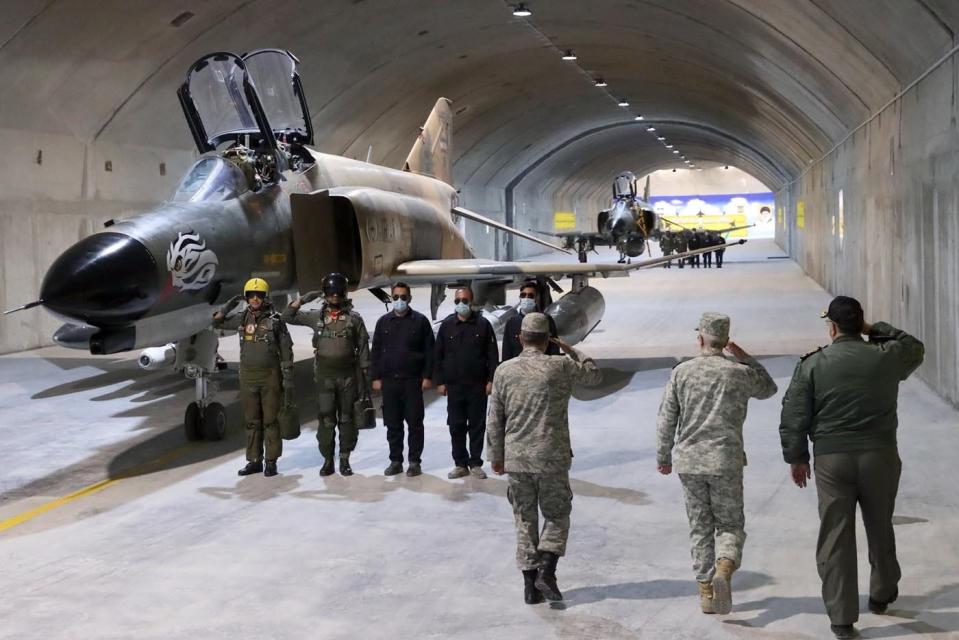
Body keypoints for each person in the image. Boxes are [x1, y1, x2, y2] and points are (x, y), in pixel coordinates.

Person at [778, 296, 924, 639]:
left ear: (831, 327)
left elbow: (794, 415)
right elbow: (914, 347)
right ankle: (882, 593)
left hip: (832, 461)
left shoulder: (813, 364)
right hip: (880, 456)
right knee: (880, 526)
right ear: (859, 325)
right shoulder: (886, 357)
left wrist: (797, 457)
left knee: (836, 535)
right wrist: (874, 329)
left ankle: (842, 618)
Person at [656, 312, 777, 615]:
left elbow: (666, 418)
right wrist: (744, 357)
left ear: (700, 339)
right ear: (726, 341)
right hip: (726, 460)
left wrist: (663, 455)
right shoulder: (738, 373)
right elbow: (769, 388)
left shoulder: (682, 372)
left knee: (699, 526)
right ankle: (724, 568)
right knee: (729, 523)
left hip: (690, 461)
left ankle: (706, 593)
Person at [487, 313, 602, 604]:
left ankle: (530, 587)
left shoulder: (504, 371)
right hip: (552, 456)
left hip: (517, 458)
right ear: (548, 339)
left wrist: (495, 456)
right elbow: (593, 373)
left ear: (520, 338)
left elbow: (494, 418)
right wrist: (570, 347)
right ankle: (547, 569)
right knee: (558, 514)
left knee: (524, 519)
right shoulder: (560, 366)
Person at [284, 272, 370, 477]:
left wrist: (366, 381)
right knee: (326, 420)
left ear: (343, 294)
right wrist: (303, 299)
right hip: (325, 379)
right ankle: (328, 460)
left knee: (347, 418)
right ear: (325, 294)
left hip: (348, 378)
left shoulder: (354, 319)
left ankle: (345, 459)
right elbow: (288, 316)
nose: (334, 297)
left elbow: (364, 350)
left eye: (337, 293)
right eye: (330, 293)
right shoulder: (317, 317)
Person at [212, 278, 294, 478]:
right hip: (248, 378)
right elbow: (217, 320)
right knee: (251, 421)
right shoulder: (242, 319)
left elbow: (286, 350)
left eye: (258, 296)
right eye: (251, 296)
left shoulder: (275, 321)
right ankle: (254, 461)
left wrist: (288, 377)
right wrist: (228, 305)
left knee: (270, 421)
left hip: (270, 378)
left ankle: (271, 462)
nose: (255, 299)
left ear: (265, 297)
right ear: (247, 298)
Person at [370, 282, 435, 478]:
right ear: (391, 297)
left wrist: (427, 376)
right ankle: (395, 461)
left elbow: (430, 351)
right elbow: (376, 352)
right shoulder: (383, 322)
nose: (399, 301)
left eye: (403, 297)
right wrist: (375, 377)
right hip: (390, 382)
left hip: (412, 381)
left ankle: (414, 461)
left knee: (415, 424)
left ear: (409, 298)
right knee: (393, 423)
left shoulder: (420, 322)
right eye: (396, 297)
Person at [434, 287, 499, 479]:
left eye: (464, 300)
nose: (460, 304)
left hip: (477, 386)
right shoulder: (447, 326)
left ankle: (475, 463)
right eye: (457, 301)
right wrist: (440, 382)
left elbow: (492, 355)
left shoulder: (483, 325)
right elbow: (438, 356)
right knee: (456, 425)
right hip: (454, 387)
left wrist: (491, 380)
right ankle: (460, 463)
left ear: (472, 301)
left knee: (477, 426)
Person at [501, 281, 560, 362]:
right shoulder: (512, 322)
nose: (526, 298)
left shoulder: (546, 320)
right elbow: (507, 351)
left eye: (530, 296)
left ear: (536, 298)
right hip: (517, 370)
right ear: (520, 297)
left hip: (541, 368)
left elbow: (554, 348)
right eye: (523, 295)